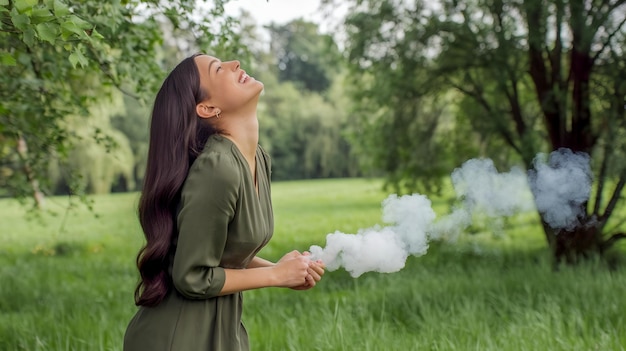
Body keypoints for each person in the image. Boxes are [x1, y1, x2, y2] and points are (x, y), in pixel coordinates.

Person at [123, 53, 326, 351]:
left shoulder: (257, 159)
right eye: (218, 69)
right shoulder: (217, 168)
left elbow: (222, 252)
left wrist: (284, 270)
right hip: (178, 338)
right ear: (208, 108)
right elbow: (191, 276)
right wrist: (275, 275)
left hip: (223, 334)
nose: (235, 64)